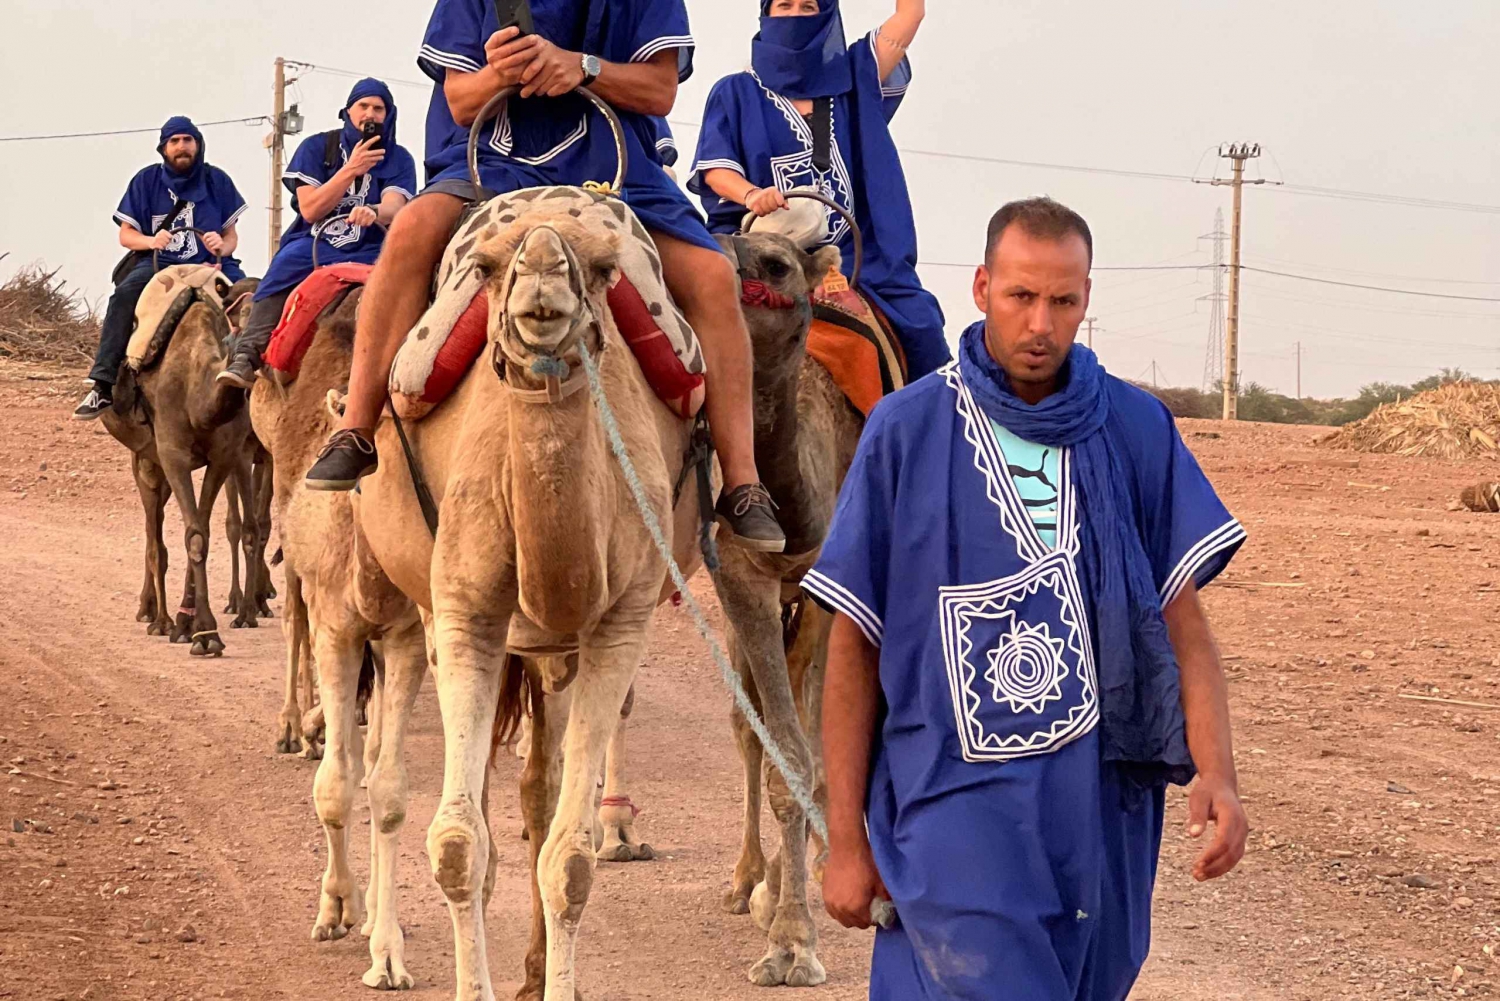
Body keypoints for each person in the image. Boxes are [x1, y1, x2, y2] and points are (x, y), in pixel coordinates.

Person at [804, 197, 1251, 1000]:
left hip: (1101, 811)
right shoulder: (907, 429)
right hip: (950, 804)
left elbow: (1184, 629)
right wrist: (844, 838)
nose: (1040, 322)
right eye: (1020, 296)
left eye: (1063, 300)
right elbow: (854, 644)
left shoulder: (1136, 428)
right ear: (981, 287)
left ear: (1085, 298)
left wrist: (1217, 771)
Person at [301, 0, 786, 553]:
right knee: (409, 230)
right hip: (491, 162)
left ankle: (743, 482)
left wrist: (585, 67)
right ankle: (357, 428)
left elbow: (660, 91)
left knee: (712, 275)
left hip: (619, 166)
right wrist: (499, 75)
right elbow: (460, 100)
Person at [688, 0, 950, 379]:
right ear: (767, 14)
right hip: (759, 254)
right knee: (688, 330)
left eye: (809, 5)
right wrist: (750, 195)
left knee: (922, 328)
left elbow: (910, 14)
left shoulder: (855, 79)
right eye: (785, 5)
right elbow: (714, 169)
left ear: (827, 15)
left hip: (859, 261)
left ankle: (932, 432)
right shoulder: (736, 92)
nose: (796, 15)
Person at [218, 79, 418, 389]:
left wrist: (375, 211)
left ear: (388, 115)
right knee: (284, 266)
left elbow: (396, 205)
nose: (370, 114)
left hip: (372, 243)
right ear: (347, 112)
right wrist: (350, 169)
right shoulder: (317, 148)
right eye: (363, 106)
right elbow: (310, 209)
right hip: (315, 239)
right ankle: (247, 354)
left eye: (378, 108)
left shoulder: (399, 157)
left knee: (416, 275)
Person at [74, 117, 247, 420]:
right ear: (164, 148)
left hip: (211, 265)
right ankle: (103, 384)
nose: (182, 147)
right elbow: (126, 235)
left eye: (187, 140)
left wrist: (222, 244)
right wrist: (152, 240)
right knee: (124, 296)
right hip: (159, 266)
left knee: (252, 300)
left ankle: (257, 383)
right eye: (175, 141)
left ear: (198, 145)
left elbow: (232, 236)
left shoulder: (217, 180)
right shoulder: (146, 180)